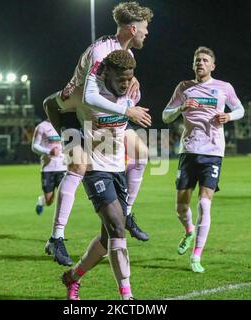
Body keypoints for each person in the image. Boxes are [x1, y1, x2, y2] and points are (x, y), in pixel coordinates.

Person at [42, 1, 153, 266]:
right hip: (71, 111)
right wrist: (127, 112)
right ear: (132, 28)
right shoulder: (103, 51)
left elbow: (116, 90)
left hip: (96, 116)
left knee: (141, 154)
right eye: (145, 28)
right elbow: (90, 96)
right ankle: (56, 238)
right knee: (79, 165)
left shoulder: (125, 54)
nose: (147, 33)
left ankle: (126, 213)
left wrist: (131, 92)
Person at [62, 50, 146, 300]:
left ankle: (72, 277)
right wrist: (71, 144)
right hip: (95, 170)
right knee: (117, 229)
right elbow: (51, 105)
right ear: (107, 74)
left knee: (106, 236)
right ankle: (127, 296)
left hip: (117, 169)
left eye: (130, 78)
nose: (126, 84)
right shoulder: (88, 95)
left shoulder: (132, 92)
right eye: (121, 79)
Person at [162, 47, 245, 273]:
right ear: (193, 65)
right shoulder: (183, 87)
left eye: (205, 60)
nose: (200, 63)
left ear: (212, 66)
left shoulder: (224, 88)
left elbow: (240, 110)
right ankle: (189, 230)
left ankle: (196, 256)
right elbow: (165, 115)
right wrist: (181, 107)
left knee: (204, 203)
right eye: (197, 59)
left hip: (213, 151)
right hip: (188, 151)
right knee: (181, 207)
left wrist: (228, 115)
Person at [31, 119, 67, 216]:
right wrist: (49, 151)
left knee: (64, 195)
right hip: (48, 168)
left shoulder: (63, 125)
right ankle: (41, 200)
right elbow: (34, 146)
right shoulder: (42, 127)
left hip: (62, 167)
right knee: (49, 201)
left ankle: (60, 223)